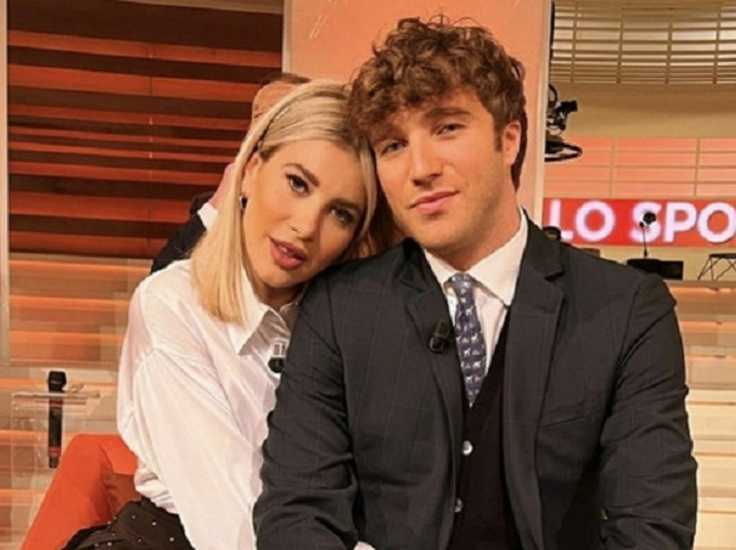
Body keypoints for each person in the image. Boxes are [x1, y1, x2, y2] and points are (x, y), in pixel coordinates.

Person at [254, 17, 697, 550]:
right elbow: (297, 511)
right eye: (393, 145)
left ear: (508, 139)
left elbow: (651, 528)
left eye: (447, 128)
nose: (420, 168)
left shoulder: (626, 310)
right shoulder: (339, 308)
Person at [64, 81, 388, 550]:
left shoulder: (345, 328)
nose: (306, 226)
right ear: (251, 169)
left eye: (340, 213)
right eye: (297, 183)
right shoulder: (172, 303)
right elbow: (234, 522)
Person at [150, 72, 311, 274]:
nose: (261, 127)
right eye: (258, 116)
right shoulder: (213, 208)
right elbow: (161, 280)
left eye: (276, 116)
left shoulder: (314, 218)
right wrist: (219, 204)